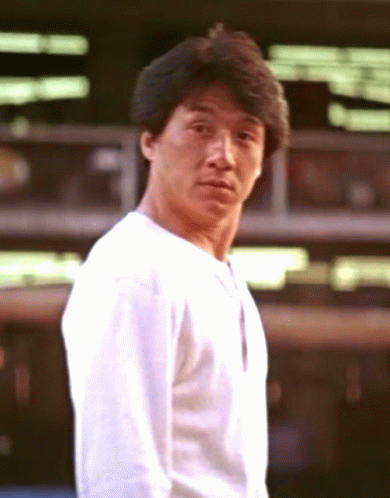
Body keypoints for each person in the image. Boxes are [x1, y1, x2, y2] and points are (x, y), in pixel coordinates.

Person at [62, 24, 289, 498]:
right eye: (200, 129)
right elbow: (122, 478)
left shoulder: (224, 278)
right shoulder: (134, 272)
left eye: (245, 136)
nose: (223, 156)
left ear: (262, 160)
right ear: (150, 140)